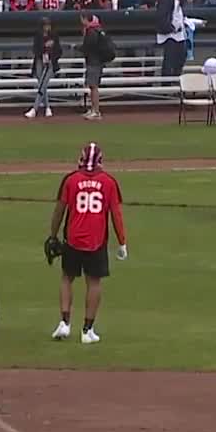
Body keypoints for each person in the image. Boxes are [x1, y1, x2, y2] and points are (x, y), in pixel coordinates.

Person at [47, 142, 127, 344]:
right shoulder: (109, 182)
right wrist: (122, 242)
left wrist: (53, 235)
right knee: (94, 282)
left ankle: (64, 323)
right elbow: (116, 215)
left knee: (67, 278)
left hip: (72, 238)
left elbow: (59, 210)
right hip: (96, 240)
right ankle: (87, 330)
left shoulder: (71, 180)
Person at [25, 17, 62, 119]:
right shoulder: (38, 36)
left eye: (48, 25)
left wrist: (51, 57)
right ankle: (47, 107)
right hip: (39, 61)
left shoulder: (54, 35)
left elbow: (59, 51)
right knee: (42, 84)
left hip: (50, 63)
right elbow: (35, 49)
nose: (47, 27)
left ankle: (34, 109)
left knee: (42, 84)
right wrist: (44, 49)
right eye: (45, 25)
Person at [79, 13, 109, 121]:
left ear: (85, 19)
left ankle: (96, 111)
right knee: (92, 86)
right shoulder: (95, 30)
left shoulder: (92, 31)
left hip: (94, 62)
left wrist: (79, 48)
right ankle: (93, 110)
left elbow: (88, 47)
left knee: (94, 86)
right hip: (95, 61)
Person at [155, 0, 188, 77]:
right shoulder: (165, 0)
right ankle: (166, 85)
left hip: (179, 35)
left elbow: (181, 18)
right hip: (169, 35)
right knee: (169, 61)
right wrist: (171, 28)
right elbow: (161, 17)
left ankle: (175, 77)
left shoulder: (179, 2)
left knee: (182, 56)